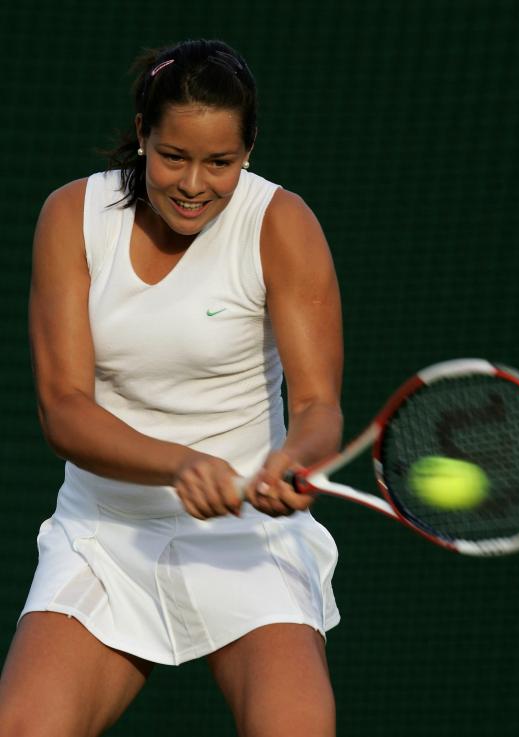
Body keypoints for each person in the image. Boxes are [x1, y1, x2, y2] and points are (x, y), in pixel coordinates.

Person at [0, 39, 343, 737]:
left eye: (220, 162)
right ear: (142, 134)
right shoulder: (73, 217)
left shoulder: (281, 224)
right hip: (105, 533)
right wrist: (179, 463)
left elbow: (316, 408)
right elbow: (63, 408)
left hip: (248, 538)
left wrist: (295, 460)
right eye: (172, 156)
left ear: (248, 151)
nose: (193, 183)